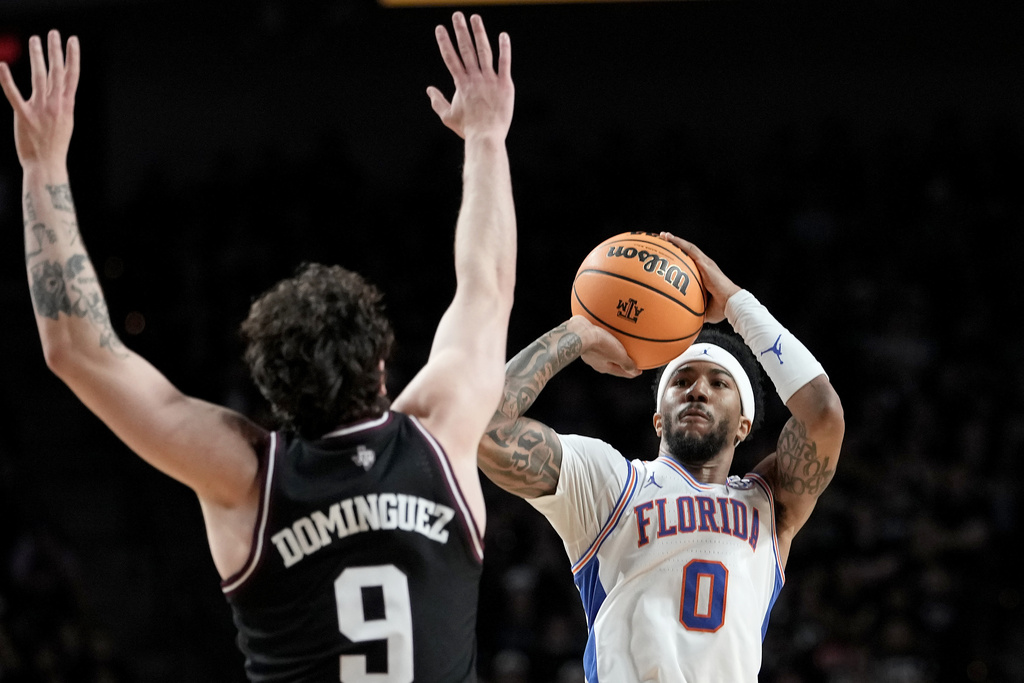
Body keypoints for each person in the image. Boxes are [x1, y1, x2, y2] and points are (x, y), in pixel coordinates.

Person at [1, 12, 515, 682]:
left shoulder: (245, 477)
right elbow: (487, 286)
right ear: (382, 365)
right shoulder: (440, 434)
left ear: (268, 389)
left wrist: (41, 166)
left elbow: (78, 349)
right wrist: (486, 136)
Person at [479, 233, 844, 682]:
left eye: (719, 383)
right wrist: (579, 332)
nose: (697, 390)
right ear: (657, 418)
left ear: (744, 424)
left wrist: (736, 304)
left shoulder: (770, 504)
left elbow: (823, 413)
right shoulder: (611, 483)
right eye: (681, 380)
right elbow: (485, 428)